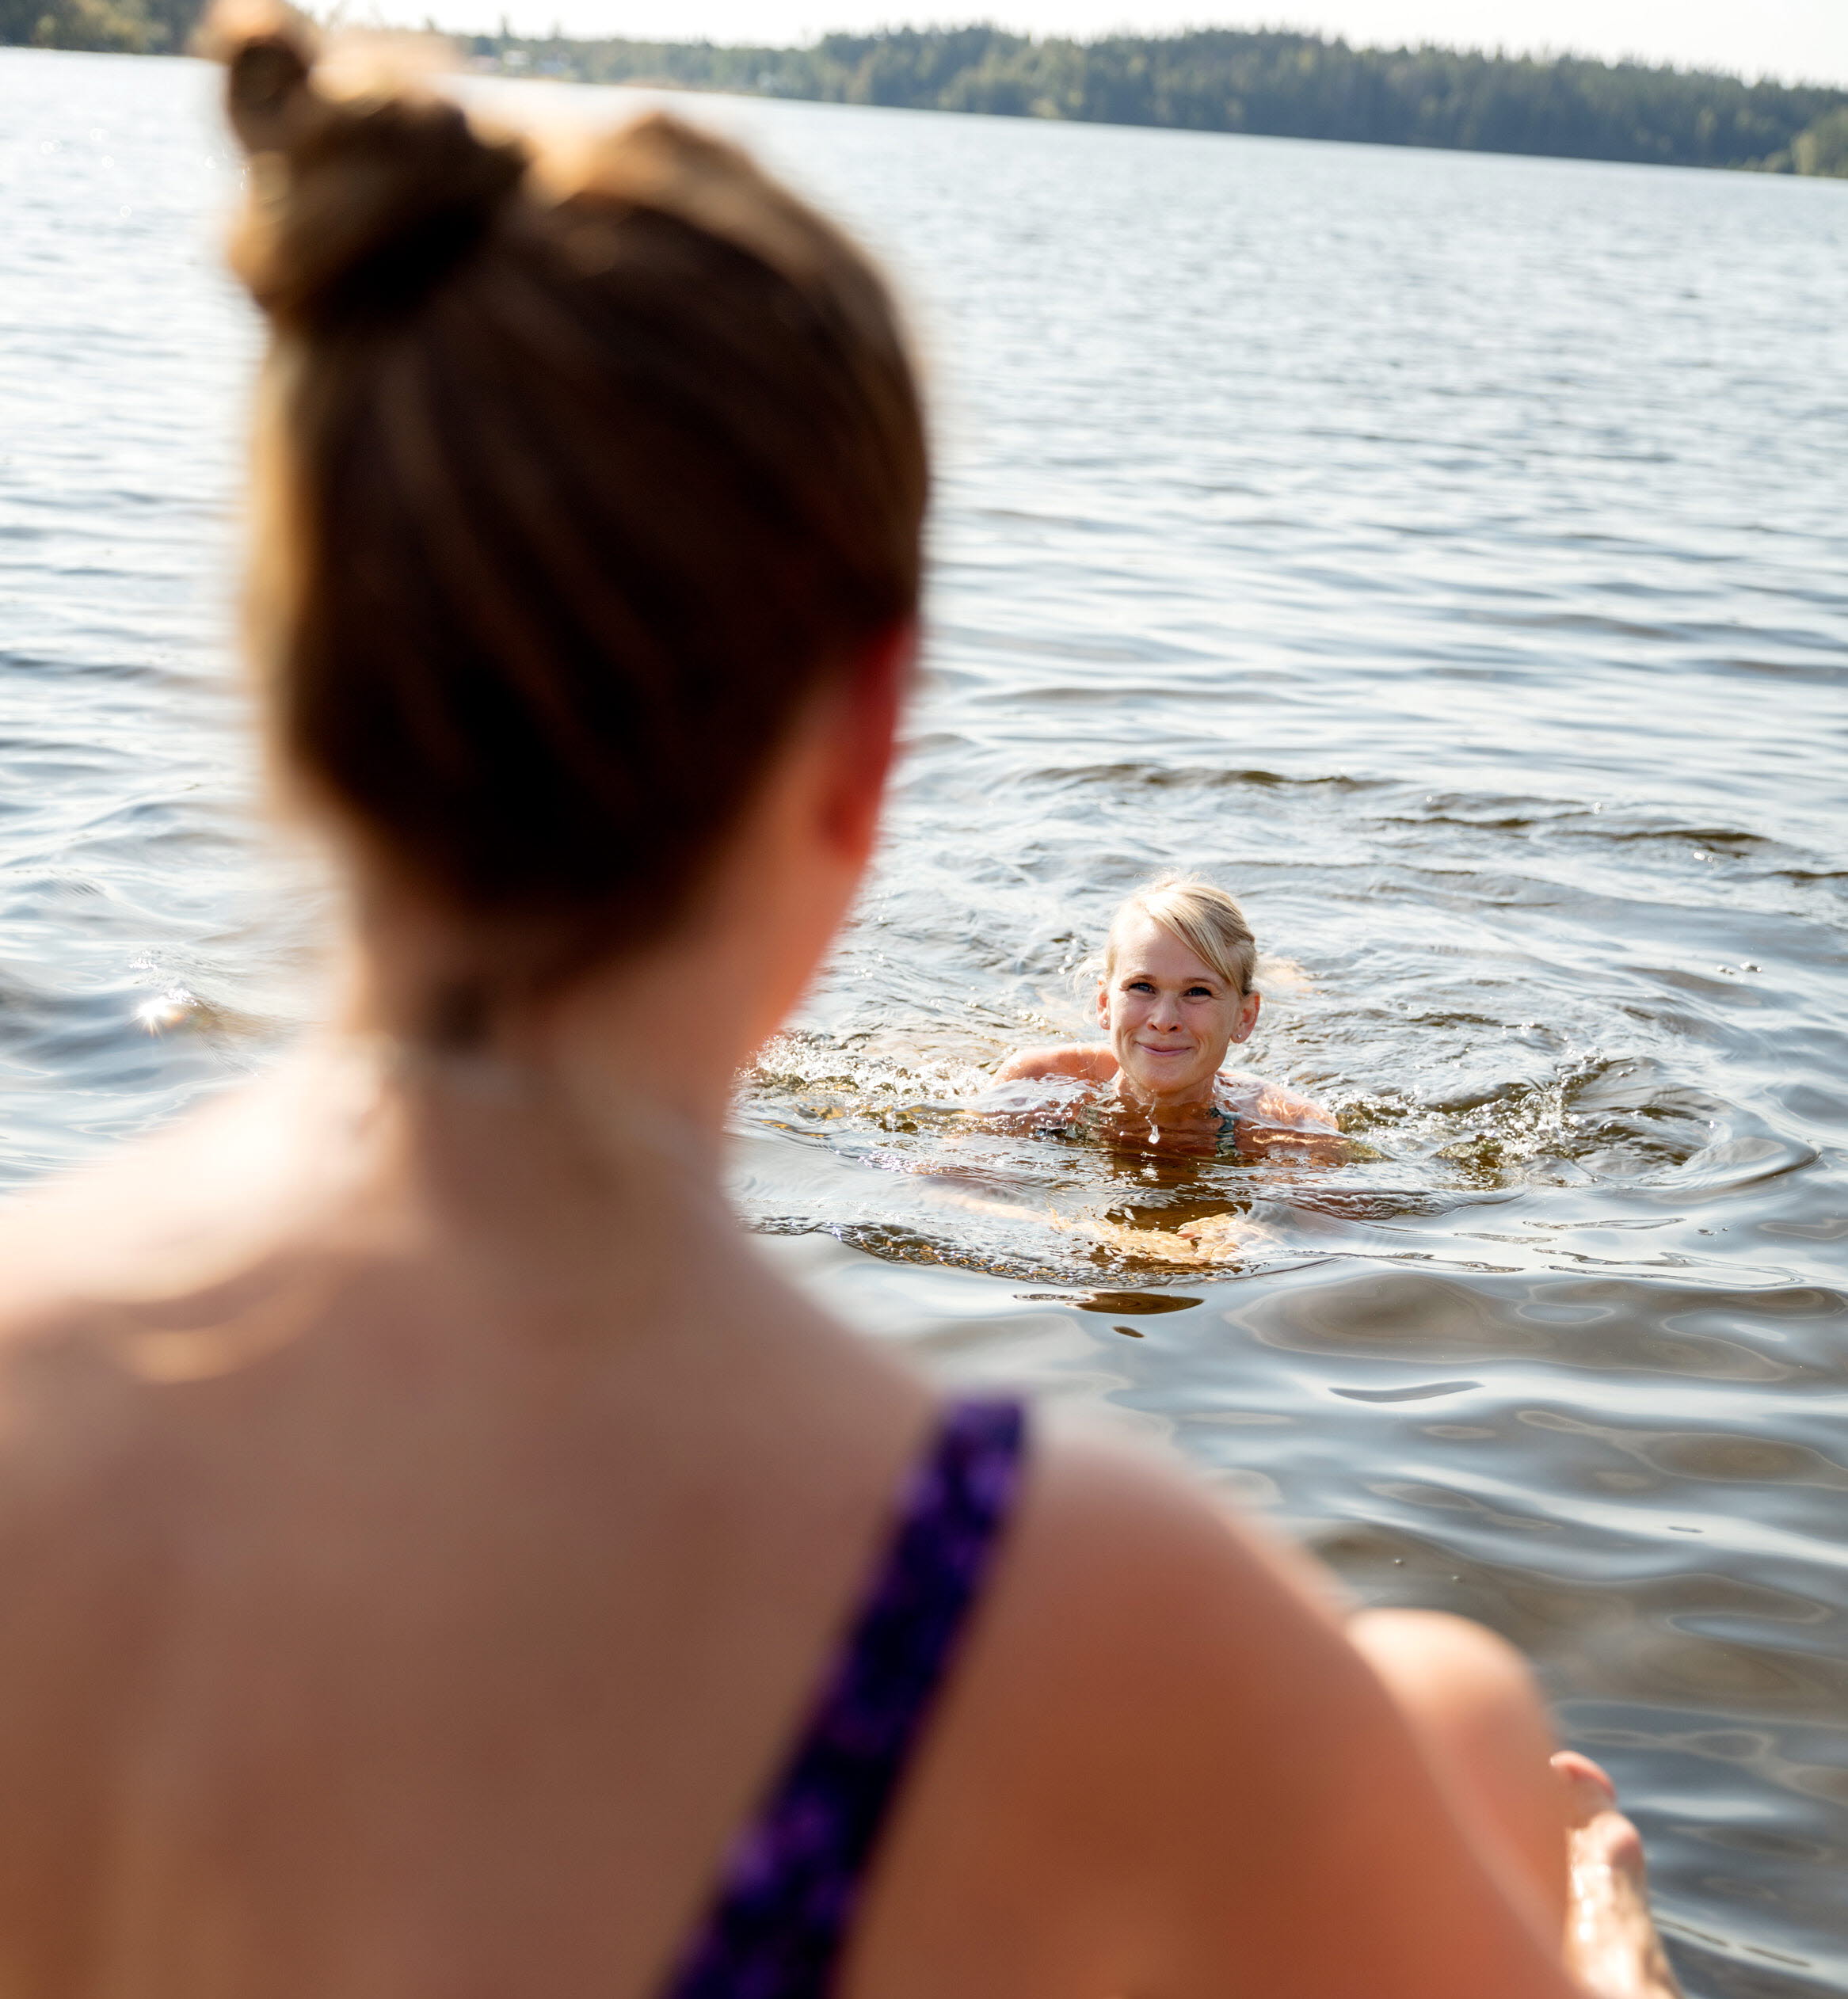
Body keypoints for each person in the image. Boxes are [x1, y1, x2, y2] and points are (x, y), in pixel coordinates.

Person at [0, 14, 1682, 1996]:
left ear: (294, 675)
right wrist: (1605, 1939)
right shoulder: (1109, 1629)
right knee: (1458, 1719)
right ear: (866, 735)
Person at [993, 878, 1344, 1161]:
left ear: (1245, 1017)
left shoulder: (1291, 1129)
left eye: (1198, 992)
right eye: (1142, 986)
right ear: (1104, 1003)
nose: (1164, 1020)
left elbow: (1306, 1227)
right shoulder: (1036, 1086)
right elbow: (952, 1191)